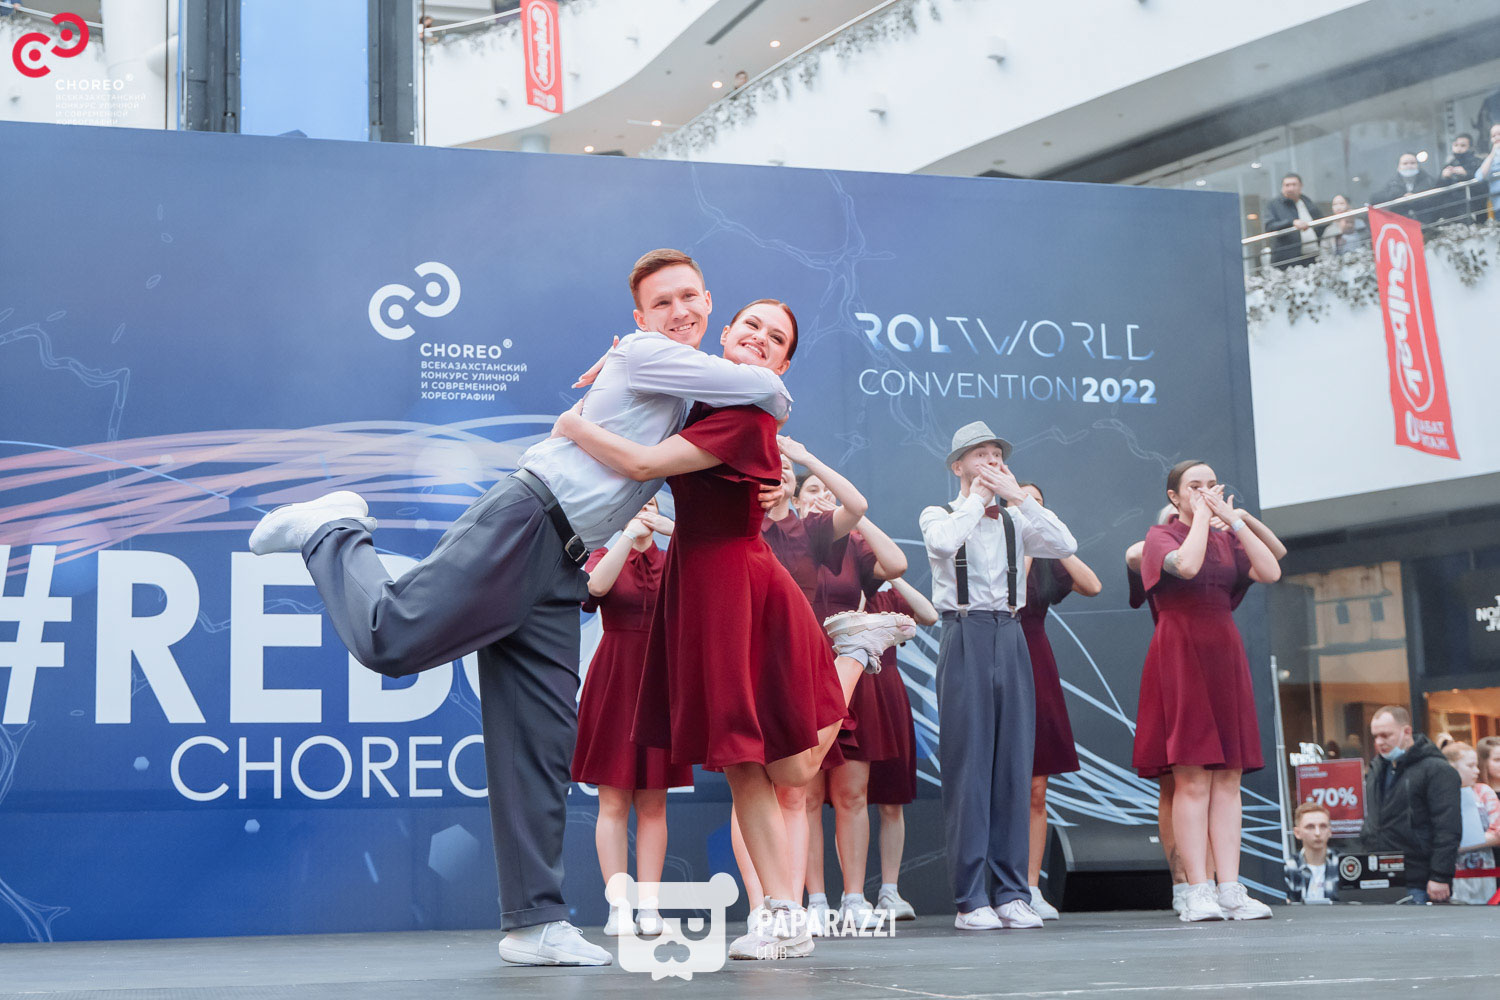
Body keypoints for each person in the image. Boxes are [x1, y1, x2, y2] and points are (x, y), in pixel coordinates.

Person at [246, 248, 792, 967]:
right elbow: (768, 391)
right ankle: (333, 530)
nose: (679, 311)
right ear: (640, 318)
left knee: (537, 744)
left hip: (564, 561)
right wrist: (634, 358)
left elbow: (740, 428)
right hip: (529, 520)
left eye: (690, 297)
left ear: (709, 301)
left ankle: (535, 923)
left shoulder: (685, 385)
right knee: (390, 638)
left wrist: (778, 477)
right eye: (662, 303)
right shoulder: (648, 354)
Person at [552, 298, 916, 960]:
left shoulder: (748, 414)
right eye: (751, 325)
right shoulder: (698, 397)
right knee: (755, 766)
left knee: (774, 764)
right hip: (701, 581)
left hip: (736, 585)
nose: (759, 338)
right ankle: (783, 914)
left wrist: (571, 424)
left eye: (776, 338)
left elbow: (642, 465)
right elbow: (653, 371)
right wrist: (621, 357)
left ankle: (855, 652)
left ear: (782, 366)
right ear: (725, 333)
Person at [920, 421, 1078, 931]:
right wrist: (977, 499)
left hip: (1011, 634)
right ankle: (971, 899)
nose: (992, 461)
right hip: (964, 632)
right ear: (958, 466)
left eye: (997, 454)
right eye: (980, 455)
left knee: (1014, 765)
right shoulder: (940, 513)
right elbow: (942, 545)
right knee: (969, 766)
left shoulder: (1015, 518)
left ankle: (1012, 892)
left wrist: (1019, 498)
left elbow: (1065, 542)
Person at [1133, 460, 1282, 922]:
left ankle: (1230, 888)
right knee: (1192, 777)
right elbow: (1187, 564)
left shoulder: (1226, 537)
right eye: (1193, 486)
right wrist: (1201, 516)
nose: (1204, 491)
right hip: (1180, 653)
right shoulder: (1160, 537)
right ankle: (1197, 888)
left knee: (1229, 777)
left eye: (1211, 484)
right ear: (1174, 497)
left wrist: (1234, 519)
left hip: (1224, 652)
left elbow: (1271, 568)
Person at [731, 442, 870, 936]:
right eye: (775, 462)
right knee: (748, 779)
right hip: (746, 652)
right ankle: (760, 904)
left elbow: (857, 505)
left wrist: (809, 459)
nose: (782, 467)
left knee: (794, 790)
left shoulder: (811, 528)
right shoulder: (742, 526)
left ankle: (789, 904)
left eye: (788, 466)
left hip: (799, 658)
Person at [572, 497, 691, 937]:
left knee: (654, 802)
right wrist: (627, 536)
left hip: (660, 682)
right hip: (615, 681)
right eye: (637, 504)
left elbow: (707, 558)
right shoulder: (606, 553)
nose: (644, 510)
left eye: (651, 503)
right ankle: (618, 906)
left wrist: (669, 528)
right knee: (614, 800)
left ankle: (650, 907)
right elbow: (594, 589)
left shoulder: (673, 557)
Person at [796, 491, 910, 932]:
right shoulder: (789, 540)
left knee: (852, 794)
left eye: (830, 493)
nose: (823, 498)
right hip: (801, 672)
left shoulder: (855, 548)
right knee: (805, 795)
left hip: (850, 674)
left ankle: (854, 897)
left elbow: (896, 564)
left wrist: (856, 520)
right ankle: (815, 900)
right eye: (812, 491)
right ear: (795, 500)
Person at [1009, 482, 1102, 921]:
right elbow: (1010, 596)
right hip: (998, 654)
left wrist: (1047, 535)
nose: (1028, 509)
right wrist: (1023, 540)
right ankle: (1002, 885)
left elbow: (1092, 585)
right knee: (999, 786)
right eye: (1019, 501)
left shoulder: (1048, 555)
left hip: (1037, 661)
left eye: (1037, 505)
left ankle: (1030, 886)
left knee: (1035, 787)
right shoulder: (989, 546)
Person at [865, 575, 938, 921]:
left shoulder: (889, 596)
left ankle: (889, 891)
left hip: (887, 693)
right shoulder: (833, 587)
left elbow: (929, 614)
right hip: (844, 689)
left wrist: (892, 575)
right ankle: (844, 895)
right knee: (845, 801)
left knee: (891, 802)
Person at [1360, 706, 1461, 905]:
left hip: (1418, 878)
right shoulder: (1377, 768)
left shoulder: (1436, 769)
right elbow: (1373, 820)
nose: (1379, 742)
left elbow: (1447, 827)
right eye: (1375, 736)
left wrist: (1440, 875)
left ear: (1406, 731)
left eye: (1385, 735)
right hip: (1378, 875)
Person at [1442, 741, 1500, 905]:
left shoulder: (1484, 791)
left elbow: (1497, 832)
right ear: (1452, 767)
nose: (1477, 771)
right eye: (1470, 766)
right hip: (1452, 873)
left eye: (1476, 765)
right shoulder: (1440, 794)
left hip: (1484, 872)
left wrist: (1456, 845)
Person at [1262, 173, 1324, 269]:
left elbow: (1321, 223)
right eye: (1287, 185)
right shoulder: (1273, 205)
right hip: (1287, 260)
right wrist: (1292, 223)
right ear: (1282, 187)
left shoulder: (1307, 201)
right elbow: (1269, 226)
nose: (1290, 188)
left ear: (1300, 186)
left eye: (1294, 185)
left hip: (1312, 256)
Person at [1283, 801, 1340, 904]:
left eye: (1323, 826)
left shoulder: (1341, 865)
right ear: (1297, 833)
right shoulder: (1288, 868)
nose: (1317, 833)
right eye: (1310, 827)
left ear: (1330, 831)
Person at [1371, 152, 1440, 224]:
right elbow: (1375, 199)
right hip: (1401, 225)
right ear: (1398, 167)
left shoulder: (1429, 181)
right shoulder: (1392, 184)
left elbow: (1436, 200)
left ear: (1418, 166)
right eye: (1405, 163)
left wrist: (1415, 198)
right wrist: (1400, 196)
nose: (1409, 166)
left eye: (1412, 163)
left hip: (1427, 224)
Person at [1439, 134, 1485, 222]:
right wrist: (1444, 177)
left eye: (1463, 145)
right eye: (1456, 145)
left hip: (1474, 207)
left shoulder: (1478, 162)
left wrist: (1467, 174)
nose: (1458, 149)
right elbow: (1438, 189)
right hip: (1452, 210)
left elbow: (1483, 185)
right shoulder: (1448, 165)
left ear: (1471, 148)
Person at [1475, 123, 1500, 219]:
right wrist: (1493, 153)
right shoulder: (1491, 160)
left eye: (1499, 134)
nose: (1497, 137)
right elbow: (1480, 176)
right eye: (1493, 136)